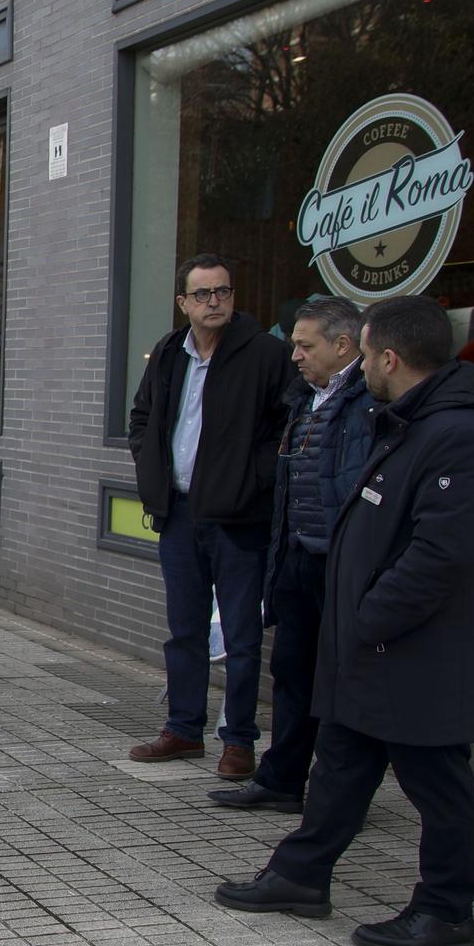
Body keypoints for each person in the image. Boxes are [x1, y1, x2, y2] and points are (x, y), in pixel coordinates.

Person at [216, 296, 474, 946]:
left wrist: (371, 616)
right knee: (342, 761)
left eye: (367, 354)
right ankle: (300, 874)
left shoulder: (461, 432)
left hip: (416, 648)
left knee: (438, 781)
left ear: (391, 358)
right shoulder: (410, 420)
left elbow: (441, 553)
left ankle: (445, 910)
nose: (362, 365)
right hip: (372, 643)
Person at [125, 254, 292, 776]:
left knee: (241, 636)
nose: (214, 301)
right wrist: (149, 467)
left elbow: (285, 427)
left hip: (240, 519)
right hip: (178, 513)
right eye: (202, 294)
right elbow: (142, 417)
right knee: (185, 631)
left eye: (222, 291)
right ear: (184, 304)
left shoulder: (266, 354)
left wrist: (254, 478)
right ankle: (183, 729)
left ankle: (239, 740)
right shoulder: (170, 353)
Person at [210, 296, 373, 816]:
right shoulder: (304, 398)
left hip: (345, 566)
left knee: (343, 682)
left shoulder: (370, 402)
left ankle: (341, 796)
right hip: (299, 555)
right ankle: (281, 780)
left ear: (343, 345)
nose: (294, 355)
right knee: (292, 671)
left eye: (305, 345)